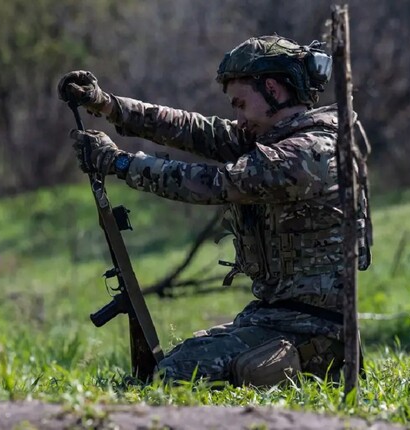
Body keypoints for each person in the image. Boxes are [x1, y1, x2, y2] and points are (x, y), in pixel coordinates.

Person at [58, 35, 362, 386]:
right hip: (274, 319)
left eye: (241, 104)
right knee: (168, 369)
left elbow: (215, 184)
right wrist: (108, 105)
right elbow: (196, 130)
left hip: (315, 330)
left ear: (274, 90)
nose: (238, 118)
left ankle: (310, 371)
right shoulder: (271, 137)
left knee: (172, 376)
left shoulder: (309, 153)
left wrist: (120, 162)